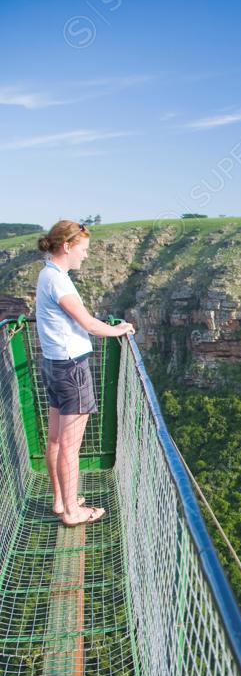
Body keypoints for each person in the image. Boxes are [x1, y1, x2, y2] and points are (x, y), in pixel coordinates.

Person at [35, 220, 134, 527]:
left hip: (53, 364)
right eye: (83, 249)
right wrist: (119, 329)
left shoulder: (47, 273)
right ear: (67, 246)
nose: (86, 255)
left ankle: (60, 501)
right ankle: (72, 513)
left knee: (56, 440)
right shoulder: (59, 281)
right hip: (72, 369)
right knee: (70, 446)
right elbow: (89, 324)